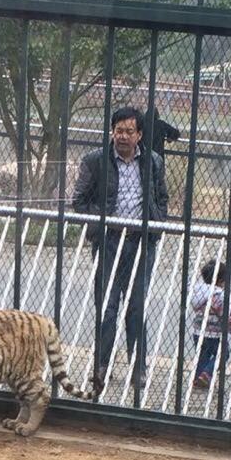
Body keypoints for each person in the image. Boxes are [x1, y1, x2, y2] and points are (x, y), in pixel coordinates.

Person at [71, 105, 168, 388]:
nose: (122, 136)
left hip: (141, 242)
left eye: (129, 131)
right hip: (110, 242)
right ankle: (102, 366)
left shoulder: (153, 162)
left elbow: (162, 198)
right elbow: (79, 201)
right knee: (107, 307)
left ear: (139, 134)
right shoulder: (95, 161)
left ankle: (139, 368)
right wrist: (103, 222)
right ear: (112, 131)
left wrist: (157, 223)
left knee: (137, 306)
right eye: (118, 130)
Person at [189, 258, 231, 389]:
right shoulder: (219, 296)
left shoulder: (199, 292)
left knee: (203, 356)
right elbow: (229, 316)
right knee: (223, 354)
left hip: (198, 331)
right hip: (214, 334)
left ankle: (198, 379)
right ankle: (206, 375)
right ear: (220, 281)